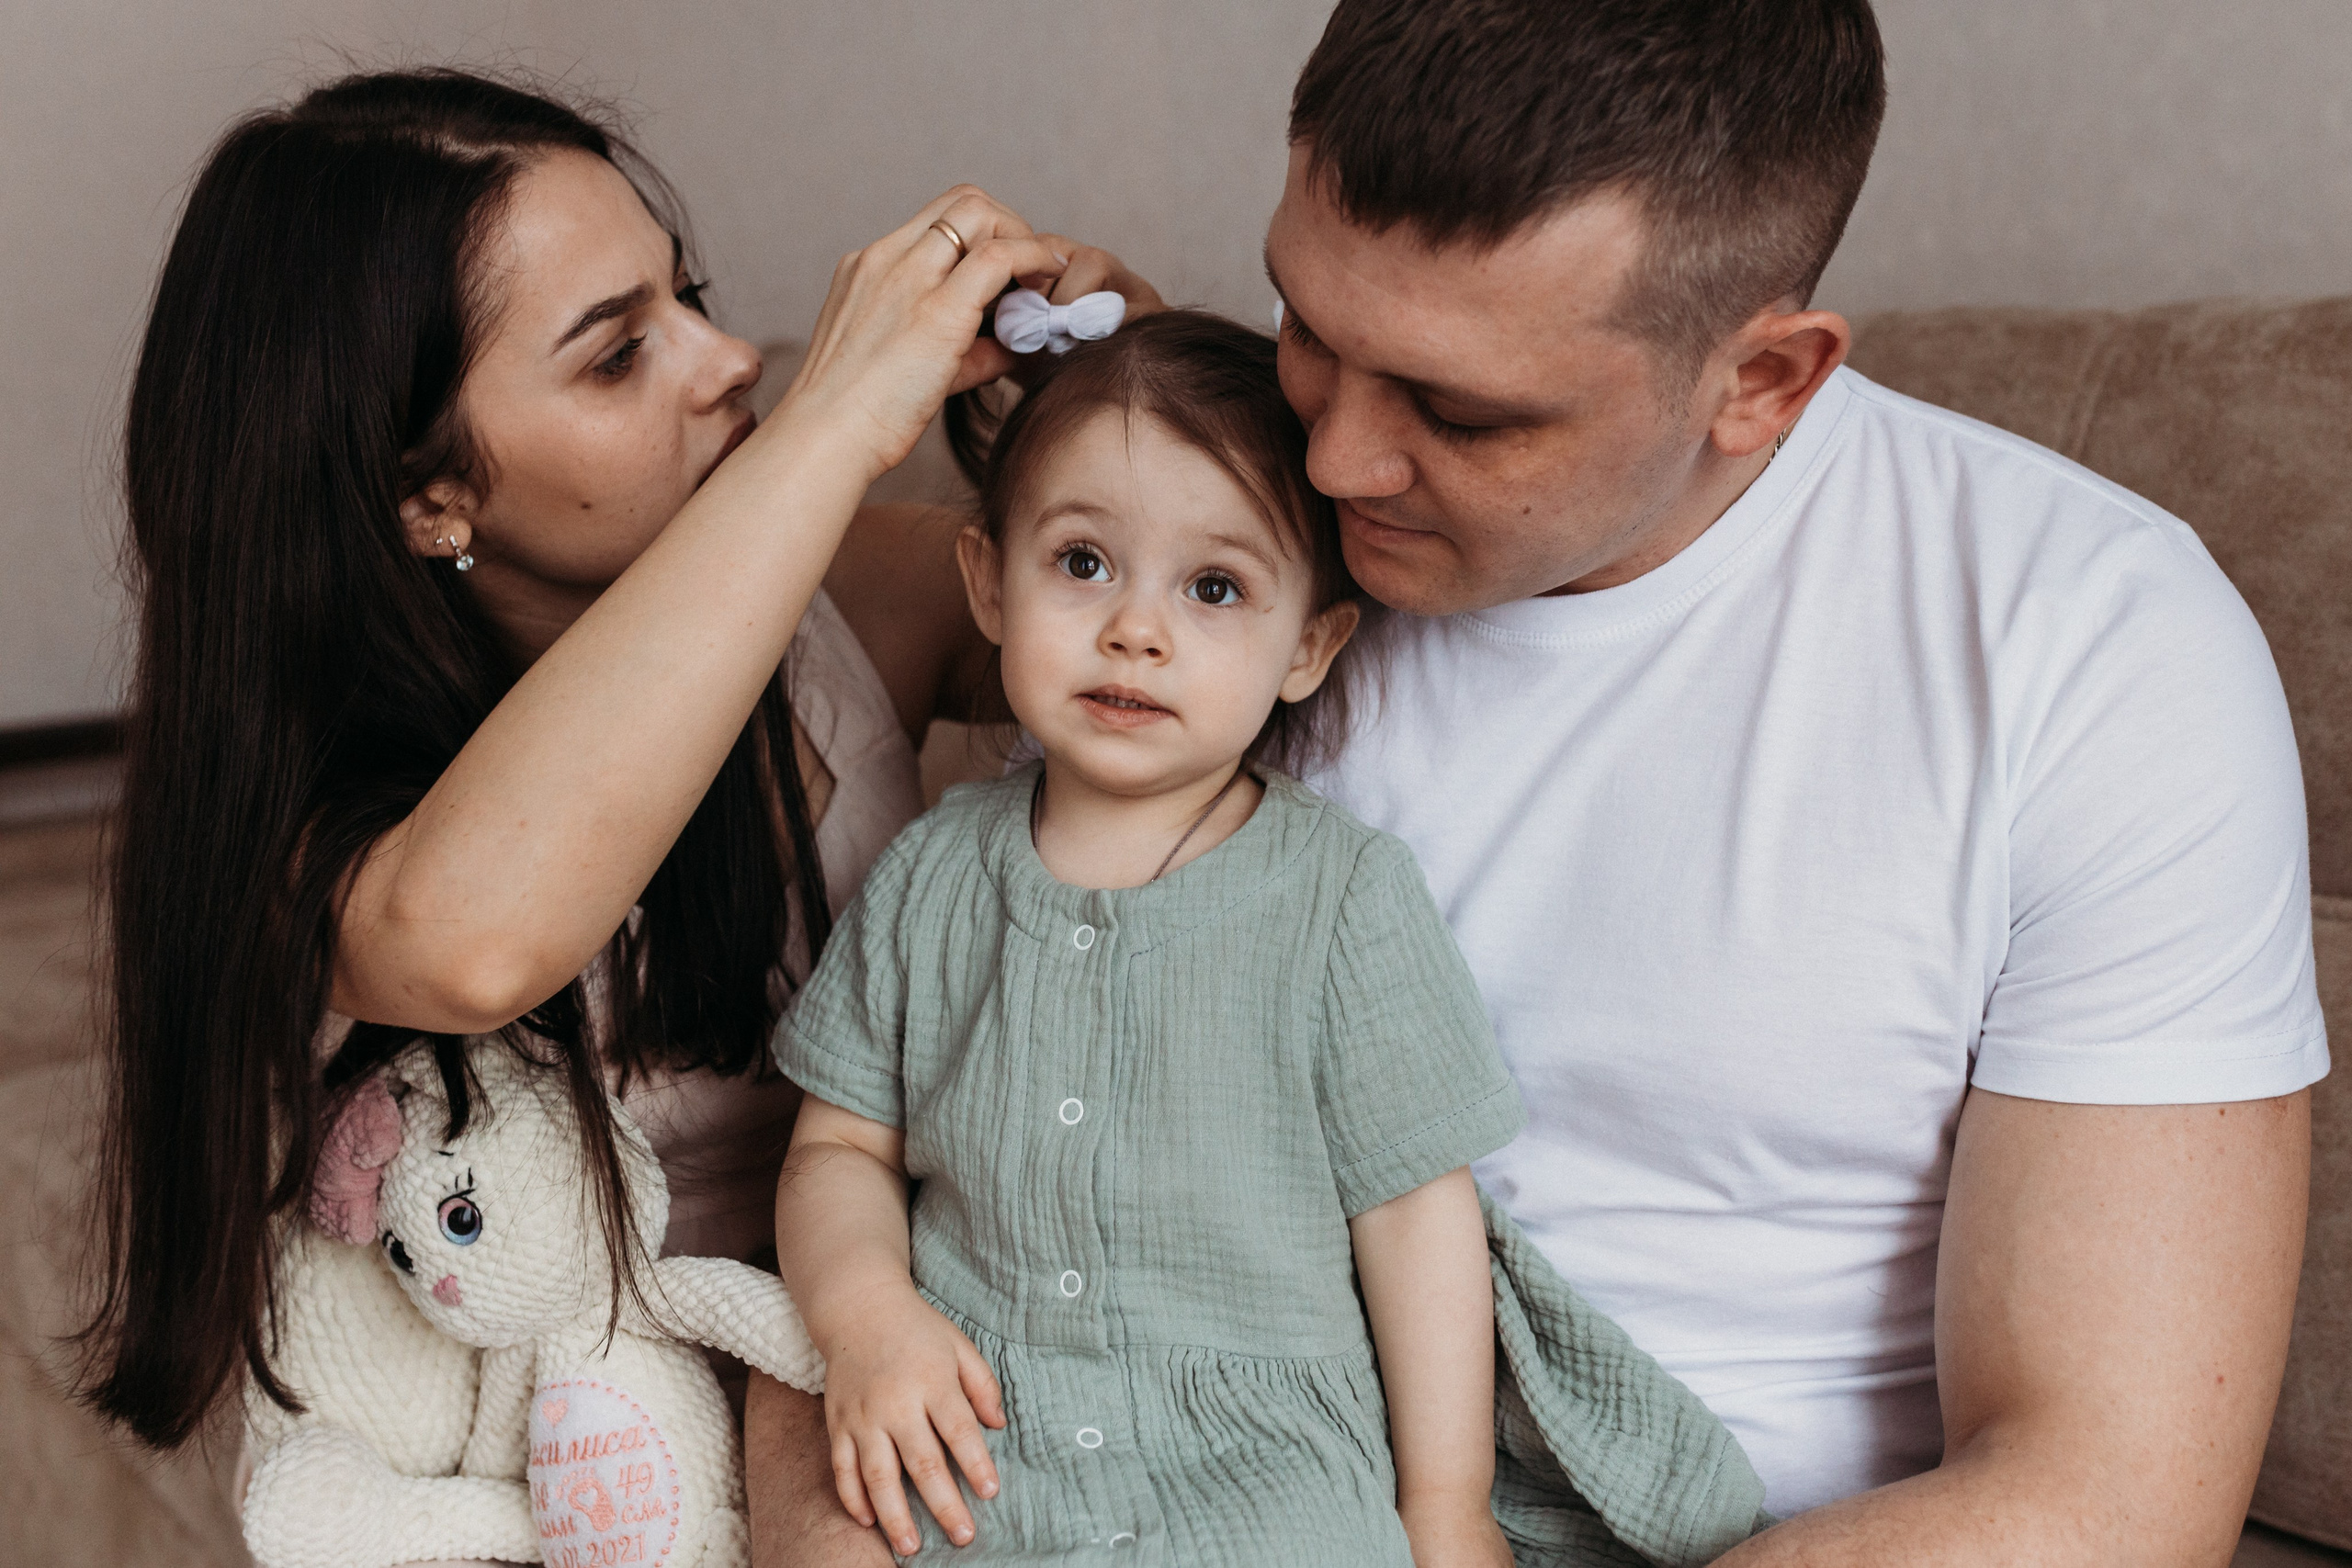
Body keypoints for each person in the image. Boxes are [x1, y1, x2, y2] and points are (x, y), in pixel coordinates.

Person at [753, 2, 2324, 1563]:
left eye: (1459, 408)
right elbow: (692, 655)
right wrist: (893, 420)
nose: (1345, 462)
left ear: (1763, 378)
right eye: (1310, 326)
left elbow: (2106, 1495)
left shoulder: (2087, 644)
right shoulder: (1227, 545)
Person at [74, 65, 1156, 1528]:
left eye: (685, 296)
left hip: (870, 1337)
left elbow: (1167, 640)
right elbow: (472, 943)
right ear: (426, 497)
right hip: (552, 1451)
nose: (723, 362)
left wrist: (1132, 385)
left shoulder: (843, 605)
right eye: (615, 355)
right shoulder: (307, 797)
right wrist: (830, 421)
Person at [772, 311, 1525, 1566]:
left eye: (1214, 588)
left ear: (1309, 647)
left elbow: (1415, 1216)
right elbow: (838, 1148)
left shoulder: (1341, 898)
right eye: (1081, 563)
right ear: (986, 584)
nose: (1136, 629)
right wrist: (867, 1320)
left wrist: (1446, 1504)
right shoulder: (931, 875)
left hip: (1266, 1461)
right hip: (982, 1438)